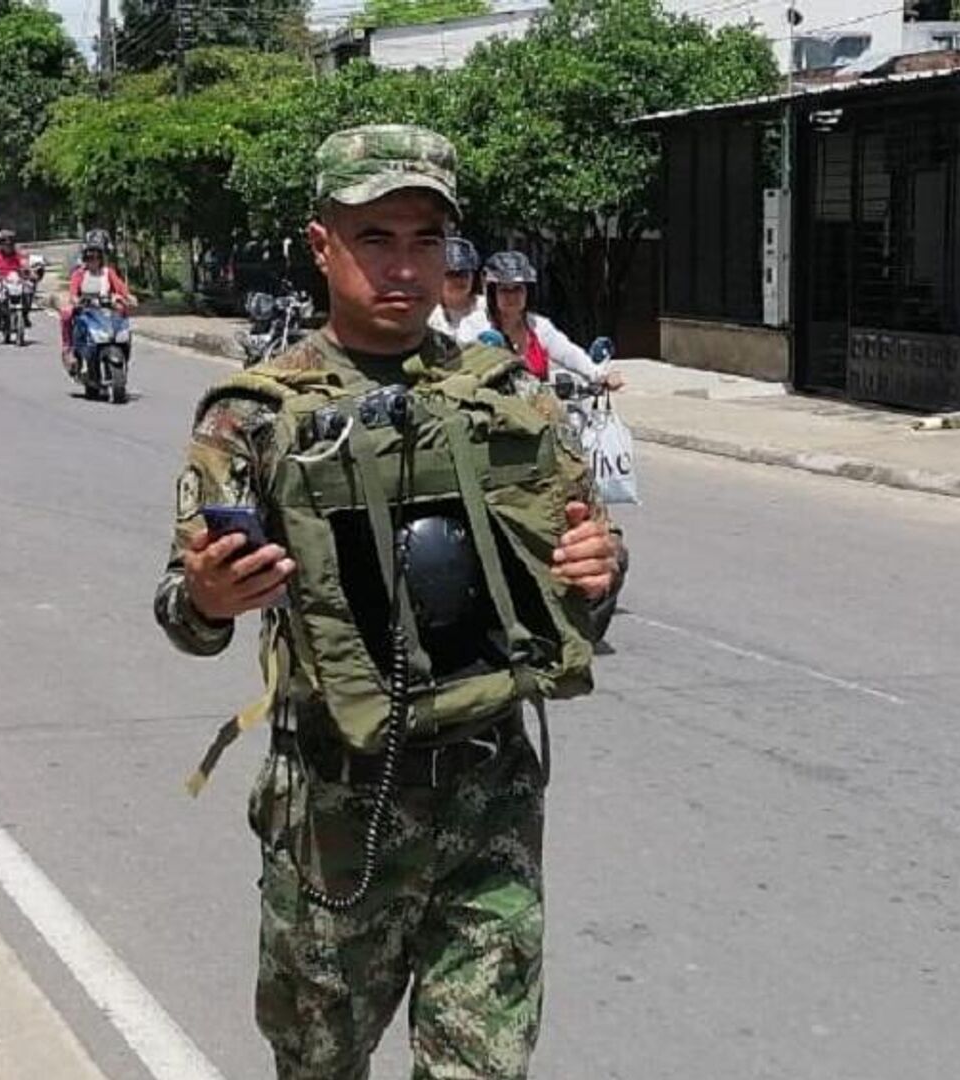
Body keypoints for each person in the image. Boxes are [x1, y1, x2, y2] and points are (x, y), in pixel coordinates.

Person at [154, 125, 622, 1079]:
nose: (404, 268)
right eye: (375, 238)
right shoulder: (252, 415)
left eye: (425, 241)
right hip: (337, 816)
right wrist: (206, 596)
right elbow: (185, 616)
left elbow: (576, 586)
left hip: (491, 800)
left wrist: (602, 569)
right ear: (322, 244)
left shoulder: (508, 397)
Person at [477, 249, 625, 389]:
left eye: (518, 289)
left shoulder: (539, 326)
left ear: (528, 292)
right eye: (504, 289)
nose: (511, 296)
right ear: (492, 293)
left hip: (539, 410)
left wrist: (599, 375)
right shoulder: (477, 327)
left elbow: (568, 354)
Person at [60, 230, 133, 372]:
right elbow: (73, 294)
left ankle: (124, 354)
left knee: (123, 320)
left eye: (96, 256)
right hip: (87, 313)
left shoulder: (108, 272)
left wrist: (128, 297)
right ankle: (70, 350)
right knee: (67, 314)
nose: (93, 260)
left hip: (107, 313)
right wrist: (76, 301)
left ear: (102, 257)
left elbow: (121, 287)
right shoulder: (79, 274)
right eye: (89, 256)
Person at [428, 235, 485, 339]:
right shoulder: (427, 312)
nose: (458, 280)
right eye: (451, 274)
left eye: (464, 274)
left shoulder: (488, 309)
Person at [0, 228, 29, 330]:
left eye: (10, 242)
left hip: (17, 281)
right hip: (1, 281)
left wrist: (28, 271)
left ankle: (25, 316)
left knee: (27, 292)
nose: (7, 245)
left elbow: (25, 264)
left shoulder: (18, 255)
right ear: (0, 244)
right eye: (4, 243)